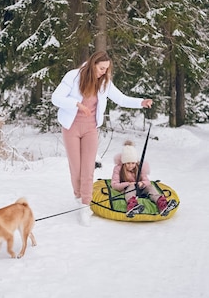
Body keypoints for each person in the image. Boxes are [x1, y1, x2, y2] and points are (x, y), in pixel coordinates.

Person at [51, 51, 153, 226]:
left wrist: (140, 102)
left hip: (90, 128)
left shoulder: (104, 83)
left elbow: (120, 98)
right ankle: (78, 198)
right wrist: (76, 104)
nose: (104, 72)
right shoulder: (73, 77)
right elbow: (56, 98)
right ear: (92, 65)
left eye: (106, 69)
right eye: (101, 68)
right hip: (71, 127)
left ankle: (85, 206)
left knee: (88, 168)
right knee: (76, 168)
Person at [111, 140, 177, 217]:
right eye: (128, 163)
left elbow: (147, 181)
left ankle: (162, 204)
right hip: (127, 190)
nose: (130, 166)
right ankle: (132, 206)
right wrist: (128, 184)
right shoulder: (118, 169)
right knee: (131, 186)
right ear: (123, 163)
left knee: (150, 187)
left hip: (139, 188)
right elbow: (114, 184)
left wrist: (142, 183)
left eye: (133, 163)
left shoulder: (139, 167)